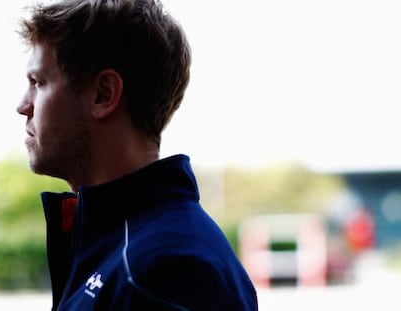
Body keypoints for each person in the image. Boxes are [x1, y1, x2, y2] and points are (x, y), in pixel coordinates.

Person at [16, 0, 258, 310]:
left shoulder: (169, 271)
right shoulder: (124, 248)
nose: (23, 105)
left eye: (38, 82)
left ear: (104, 94)